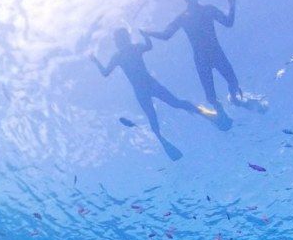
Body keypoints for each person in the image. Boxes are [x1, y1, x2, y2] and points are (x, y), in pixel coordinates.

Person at [142, 0, 265, 122]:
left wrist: (232, 6)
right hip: (203, 59)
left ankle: (234, 100)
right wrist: (148, 32)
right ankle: (221, 112)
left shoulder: (207, 9)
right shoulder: (185, 16)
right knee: (211, 96)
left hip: (215, 54)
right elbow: (166, 35)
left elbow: (228, 23)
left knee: (233, 83)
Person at [90, 28, 211, 160]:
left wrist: (96, 61)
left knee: (159, 112)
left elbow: (105, 72)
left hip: (143, 88)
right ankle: (198, 115)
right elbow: (149, 46)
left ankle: (166, 136)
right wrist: (145, 36)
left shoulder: (122, 54)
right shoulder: (130, 50)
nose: (119, 41)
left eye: (118, 39)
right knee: (171, 105)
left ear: (120, 40)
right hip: (149, 85)